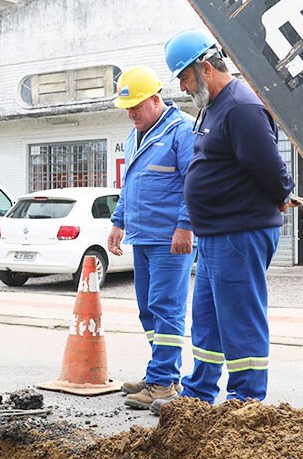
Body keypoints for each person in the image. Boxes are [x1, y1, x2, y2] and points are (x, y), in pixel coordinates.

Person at [153, 29, 296, 414]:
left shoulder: (240, 107)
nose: (183, 88)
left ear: (205, 68)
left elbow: (269, 165)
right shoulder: (213, 107)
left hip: (241, 231)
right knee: (207, 317)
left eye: (184, 77)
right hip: (217, 233)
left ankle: (246, 401)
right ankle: (198, 394)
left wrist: (282, 194)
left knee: (240, 316)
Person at [107, 65, 196, 410]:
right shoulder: (135, 136)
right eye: (127, 108)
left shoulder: (182, 131)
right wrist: (118, 222)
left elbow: (194, 182)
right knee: (148, 310)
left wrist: (185, 226)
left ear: (156, 100)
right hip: (143, 237)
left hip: (170, 240)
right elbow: (130, 185)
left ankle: (162, 383)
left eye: (137, 106)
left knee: (167, 308)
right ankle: (161, 372)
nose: (131, 114)